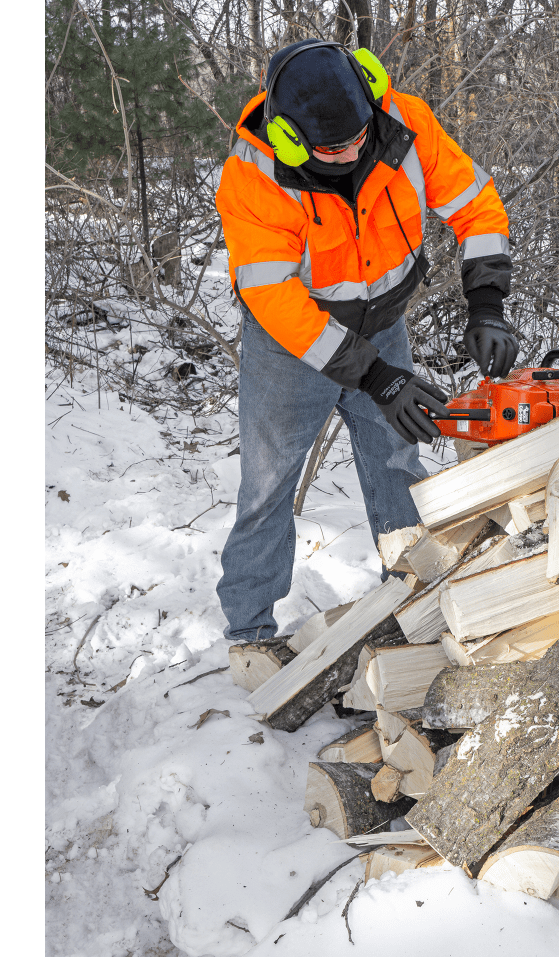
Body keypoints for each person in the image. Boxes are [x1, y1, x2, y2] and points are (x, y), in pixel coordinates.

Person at [214, 38, 519, 642]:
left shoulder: (404, 122)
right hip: (292, 344)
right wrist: (376, 377)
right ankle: (249, 631)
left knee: (397, 461)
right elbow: (275, 299)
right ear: (292, 139)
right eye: (334, 148)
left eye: (358, 136)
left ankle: (411, 600)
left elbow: (477, 204)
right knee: (267, 484)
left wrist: (486, 303)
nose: (353, 150)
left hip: (382, 323)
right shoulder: (256, 177)